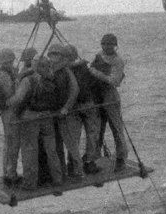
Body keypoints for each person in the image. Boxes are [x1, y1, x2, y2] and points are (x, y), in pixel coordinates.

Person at [6, 56, 64, 192]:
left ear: (35, 65)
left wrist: (8, 102)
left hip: (30, 118)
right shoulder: (51, 77)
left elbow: (18, 99)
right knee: (51, 150)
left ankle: (30, 183)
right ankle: (57, 179)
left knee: (29, 150)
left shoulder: (28, 80)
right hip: (47, 116)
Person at [87, 33, 129, 171]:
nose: (106, 46)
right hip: (97, 95)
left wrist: (95, 72)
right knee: (96, 128)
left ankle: (121, 159)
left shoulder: (118, 61)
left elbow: (115, 81)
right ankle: (93, 158)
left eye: (110, 44)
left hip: (110, 96)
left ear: (115, 45)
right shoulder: (98, 55)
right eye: (104, 44)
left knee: (116, 128)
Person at [65, 44, 102, 175]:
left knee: (73, 136)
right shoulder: (83, 67)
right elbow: (93, 83)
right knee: (92, 133)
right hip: (87, 103)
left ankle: (72, 164)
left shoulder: (63, 70)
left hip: (72, 106)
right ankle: (90, 162)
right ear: (75, 55)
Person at [47, 43, 83, 179]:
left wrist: (66, 107)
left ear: (61, 56)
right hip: (54, 113)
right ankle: (61, 171)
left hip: (67, 113)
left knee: (71, 143)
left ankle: (78, 170)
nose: (53, 57)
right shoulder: (49, 69)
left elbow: (75, 90)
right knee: (57, 146)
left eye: (56, 54)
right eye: (51, 54)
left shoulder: (66, 70)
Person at [0, 48, 20, 186]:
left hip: (9, 110)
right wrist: (17, 79)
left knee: (10, 142)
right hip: (9, 111)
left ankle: (9, 173)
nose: (11, 64)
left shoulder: (2, 72)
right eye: (9, 62)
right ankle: (10, 174)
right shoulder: (1, 75)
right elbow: (10, 93)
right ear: (4, 62)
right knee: (12, 142)